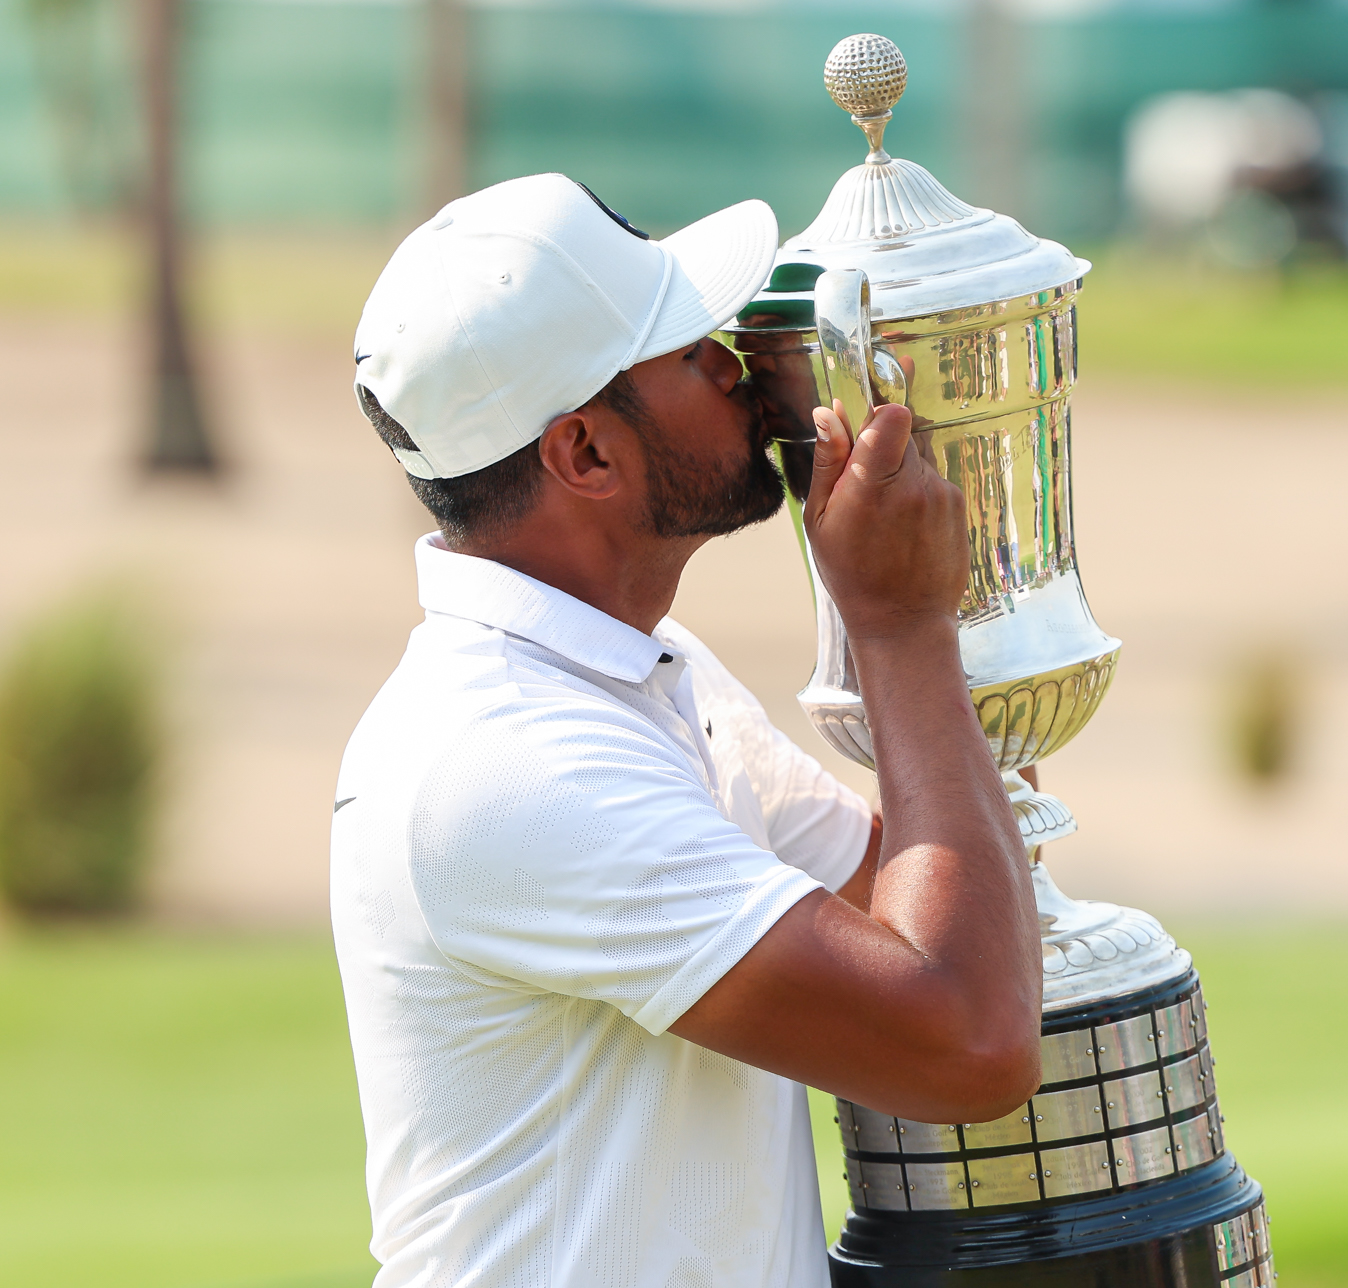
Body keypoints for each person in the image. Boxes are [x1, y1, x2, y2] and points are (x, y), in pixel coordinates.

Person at [330, 173, 1040, 1288]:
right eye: (684, 346)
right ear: (587, 456)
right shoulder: (511, 766)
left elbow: (948, 900)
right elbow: (966, 1038)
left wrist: (862, 451)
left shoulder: (642, 677)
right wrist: (899, 629)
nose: (735, 359)